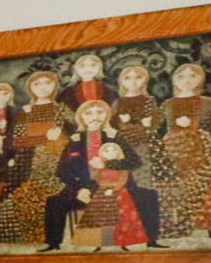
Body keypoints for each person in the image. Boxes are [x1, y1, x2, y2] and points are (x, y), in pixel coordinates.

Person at [52, 98, 156, 249]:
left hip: (116, 183)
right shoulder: (75, 140)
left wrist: (108, 164)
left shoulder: (114, 137)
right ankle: (54, 244)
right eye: (89, 113)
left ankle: (151, 240)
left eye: (100, 112)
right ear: (81, 117)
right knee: (55, 202)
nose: (95, 117)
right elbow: (61, 170)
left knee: (149, 196)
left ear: (106, 116)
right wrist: (80, 188)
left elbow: (135, 162)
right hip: (83, 185)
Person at [157, 62, 211, 240]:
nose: (186, 80)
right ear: (175, 80)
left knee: (209, 183)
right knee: (176, 184)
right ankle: (180, 225)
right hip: (174, 147)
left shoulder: (206, 102)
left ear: (200, 79)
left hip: (200, 147)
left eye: (192, 76)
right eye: (182, 77)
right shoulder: (168, 104)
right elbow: (156, 127)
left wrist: (201, 133)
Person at [0, 70, 71, 246]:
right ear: (30, 89)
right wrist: (43, 138)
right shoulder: (25, 111)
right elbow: (16, 141)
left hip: (57, 160)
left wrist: (60, 139)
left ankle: (48, 238)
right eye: (37, 84)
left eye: (47, 83)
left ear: (54, 86)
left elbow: (76, 134)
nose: (42, 87)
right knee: (13, 192)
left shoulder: (62, 110)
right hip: (26, 158)